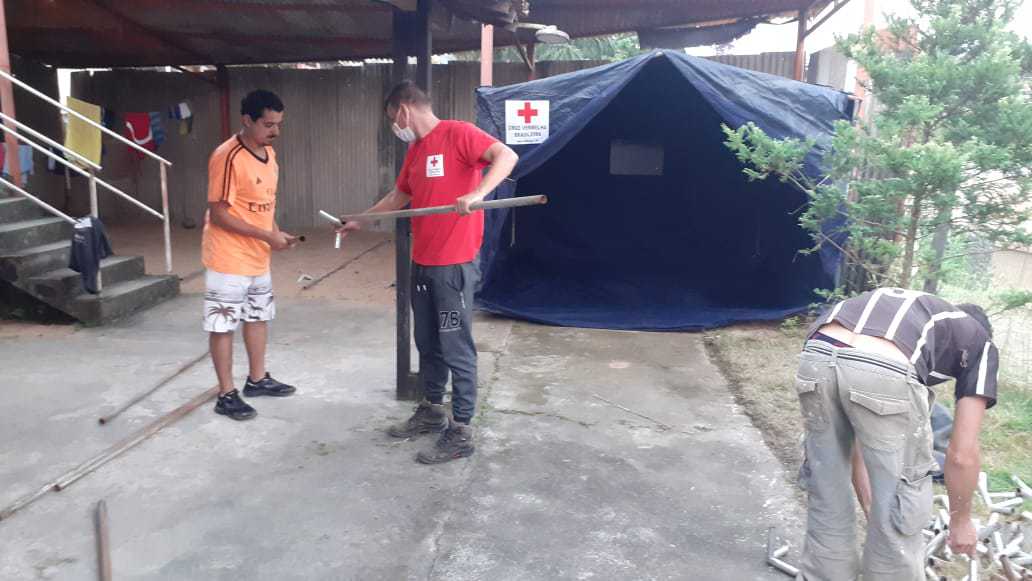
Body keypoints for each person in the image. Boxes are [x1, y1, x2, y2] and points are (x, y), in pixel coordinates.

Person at [338, 81, 518, 463]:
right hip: (424, 264)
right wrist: (360, 220)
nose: (395, 126)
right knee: (428, 341)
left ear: (404, 109)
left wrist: (478, 194)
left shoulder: (458, 134)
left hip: (454, 266)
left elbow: (506, 156)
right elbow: (397, 196)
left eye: (392, 119)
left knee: (456, 344)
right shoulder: (416, 151)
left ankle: (462, 428)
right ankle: (432, 411)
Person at [795, 288, 997, 580]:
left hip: (817, 352)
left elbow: (854, 448)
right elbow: (962, 454)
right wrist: (961, 522)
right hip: (882, 366)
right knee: (903, 498)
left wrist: (870, 505)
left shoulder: (921, 316)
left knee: (826, 488)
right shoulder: (981, 342)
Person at [202, 89, 299, 421]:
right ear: (247, 120)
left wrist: (275, 232)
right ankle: (226, 394)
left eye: (278, 124)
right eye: (268, 124)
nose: (275, 132)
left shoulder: (269, 154)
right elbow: (219, 213)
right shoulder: (227, 157)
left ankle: (257, 380)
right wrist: (265, 235)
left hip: (258, 256)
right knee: (223, 324)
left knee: (258, 317)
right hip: (228, 257)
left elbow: (263, 205)